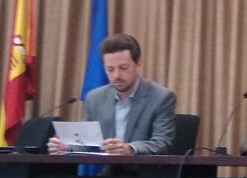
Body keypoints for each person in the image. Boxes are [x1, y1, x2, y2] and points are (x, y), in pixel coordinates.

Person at [47, 33, 176, 155]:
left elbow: (162, 143)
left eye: (123, 68)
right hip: (107, 170)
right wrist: (67, 147)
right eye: (110, 69)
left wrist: (130, 149)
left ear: (138, 64)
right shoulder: (95, 98)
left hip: (144, 170)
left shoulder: (161, 97)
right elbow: (86, 141)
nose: (116, 75)